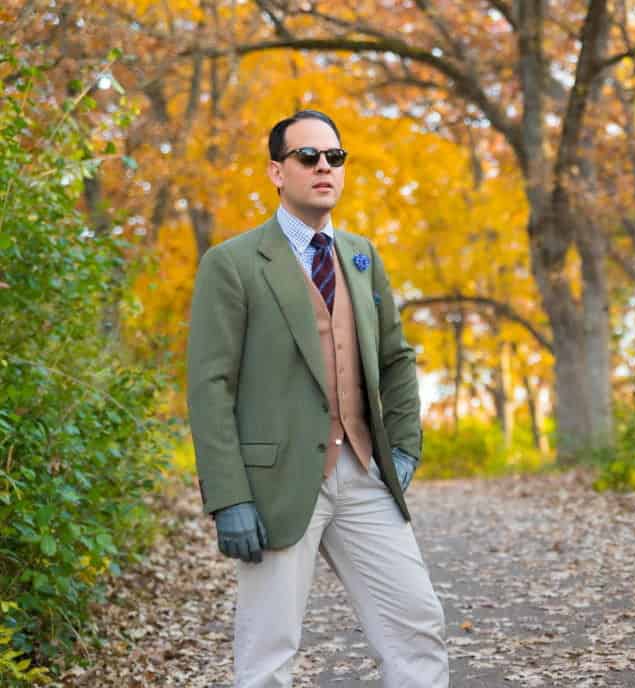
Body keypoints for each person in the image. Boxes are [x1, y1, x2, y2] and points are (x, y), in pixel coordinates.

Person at [186, 109, 449, 688]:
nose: (324, 166)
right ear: (277, 172)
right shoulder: (232, 263)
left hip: (362, 474)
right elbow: (209, 387)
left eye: (335, 157)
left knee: (417, 626)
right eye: (308, 157)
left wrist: (403, 449)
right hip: (274, 482)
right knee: (268, 654)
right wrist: (228, 496)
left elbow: (396, 360)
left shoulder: (361, 255)